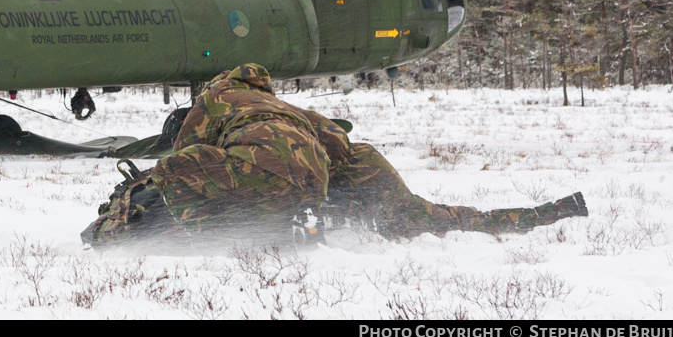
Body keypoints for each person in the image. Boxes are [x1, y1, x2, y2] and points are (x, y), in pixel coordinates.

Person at [83, 63, 587, 247]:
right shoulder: (291, 108)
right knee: (423, 218)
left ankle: (115, 235)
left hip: (264, 175)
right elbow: (342, 150)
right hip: (324, 174)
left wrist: (144, 186)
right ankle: (543, 214)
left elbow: (186, 154)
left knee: (172, 173)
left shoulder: (215, 99)